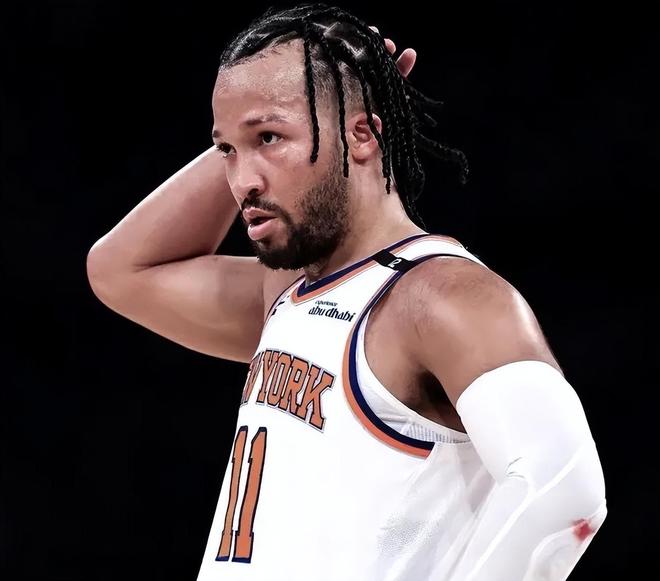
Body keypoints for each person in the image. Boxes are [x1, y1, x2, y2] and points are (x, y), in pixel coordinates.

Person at [86, 3, 607, 580]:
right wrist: (281, 111)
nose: (242, 182)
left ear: (362, 135)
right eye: (228, 151)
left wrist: (331, 95)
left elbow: (564, 495)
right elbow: (119, 271)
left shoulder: (442, 295)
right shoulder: (286, 293)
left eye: (269, 137)